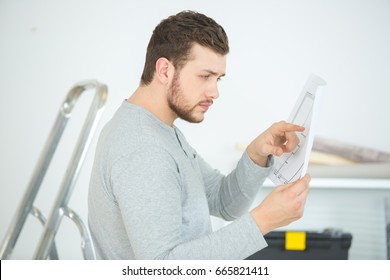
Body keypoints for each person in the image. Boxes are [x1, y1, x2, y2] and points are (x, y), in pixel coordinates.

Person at [88, 10, 310, 260]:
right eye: (205, 76)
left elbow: (224, 202)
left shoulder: (161, 131)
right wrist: (264, 221)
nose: (215, 92)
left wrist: (257, 153)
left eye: (218, 79)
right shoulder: (143, 149)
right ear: (164, 70)